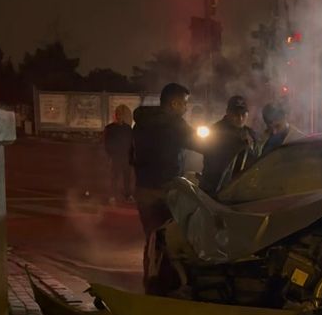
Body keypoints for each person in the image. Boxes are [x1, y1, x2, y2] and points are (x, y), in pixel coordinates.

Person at [131, 83, 201, 259]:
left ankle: (150, 276)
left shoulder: (142, 122)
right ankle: (164, 281)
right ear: (174, 104)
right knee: (169, 240)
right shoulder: (175, 124)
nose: (186, 108)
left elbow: (131, 155)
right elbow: (201, 144)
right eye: (184, 103)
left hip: (143, 189)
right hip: (166, 191)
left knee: (151, 237)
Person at [198, 95, 258, 194]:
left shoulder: (250, 134)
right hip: (214, 188)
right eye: (236, 114)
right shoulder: (215, 131)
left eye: (243, 114)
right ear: (228, 112)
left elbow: (256, 158)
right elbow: (214, 161)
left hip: (239, 189)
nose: (240, 118)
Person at [103, 104, 135, 204]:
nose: (119, 116)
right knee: (114, 177)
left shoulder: (128, 128)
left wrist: (132, 155)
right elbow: (107, 142)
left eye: (121, 114)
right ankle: (112, 196)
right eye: (118, 114)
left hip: (126, 157)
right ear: (115, 115)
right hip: (116, 157)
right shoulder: (110, 128)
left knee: (127, 177)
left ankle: (128, 195)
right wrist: (110, 155)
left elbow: (131, 142)